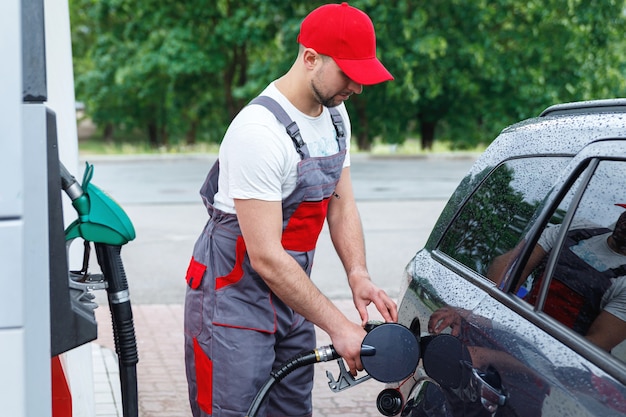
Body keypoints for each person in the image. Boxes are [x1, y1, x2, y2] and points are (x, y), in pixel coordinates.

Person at [183, 3, 398, 416]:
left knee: (291, 409)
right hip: (233, 301)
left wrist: (359, 274)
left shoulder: (337, 116)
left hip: (291, 296)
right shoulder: (258, 132)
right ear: (311, 58)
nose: (357, 88)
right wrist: (338, 326)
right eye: (349, 75)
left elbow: (341, 203)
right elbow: (264, 255)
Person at [487, 205, 626, 352]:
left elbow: (590, 348)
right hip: (508, 326)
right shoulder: (575, 228)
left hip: (552, 359)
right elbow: (507, 267)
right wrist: (493, 316)